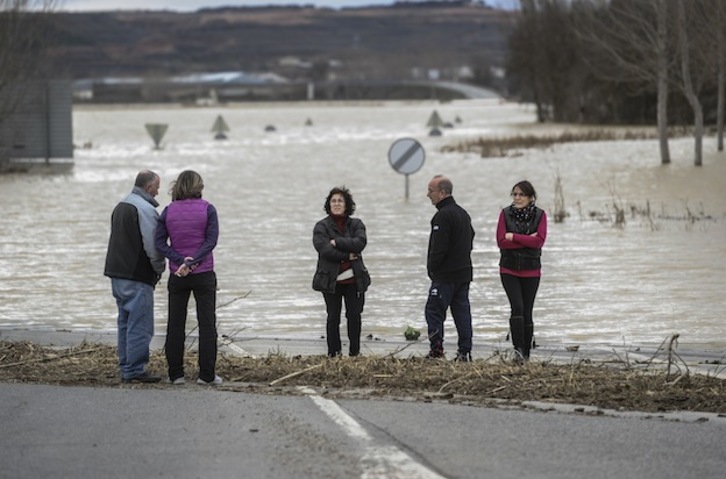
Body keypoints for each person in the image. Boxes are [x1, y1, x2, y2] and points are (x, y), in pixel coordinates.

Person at [154, 170, 222, 385]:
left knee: (175, 324)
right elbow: (211, 242)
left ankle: (176, 374)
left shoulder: (168, 211)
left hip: (178, 274)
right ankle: (206, 375)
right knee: (207, 324)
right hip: (203, 273)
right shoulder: (208, 209)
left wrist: (181, 261)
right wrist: (193, 262)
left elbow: (159, 243)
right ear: (198, 187)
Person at [104, 170, 165, 383]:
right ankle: (135, 370)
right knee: (140, 325)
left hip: (116, 272)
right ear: (149, 187)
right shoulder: (146, 210)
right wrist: (159, 268)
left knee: (125, 321)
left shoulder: (121, 206)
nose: (158, 192)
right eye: (157, 187)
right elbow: (152, 245)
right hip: (136, 275)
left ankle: (125, 366)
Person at [312, 186, 370, 357]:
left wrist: (337, 242)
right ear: (328, 204)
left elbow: (360, 243)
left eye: (340, 201)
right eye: (333, 201)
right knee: (333, 317)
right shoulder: (321, 226)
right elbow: (324, 249)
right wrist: (347, 254)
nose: (336, 204)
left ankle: (355, 352)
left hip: (355, 280)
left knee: (354, 316)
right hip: (331, 281)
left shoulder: (357, 224)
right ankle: (334, 353)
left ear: (347, 204)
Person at [425, 175, 475, 361]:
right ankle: (465, 352)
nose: (428, 195)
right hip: (463, 273)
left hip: (446, 276)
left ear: (442, 192)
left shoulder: (442, 216)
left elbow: (439, 247)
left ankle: (437, 351)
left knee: (433, 311)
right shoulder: (463, 213)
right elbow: (471, 238)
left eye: (431, 191)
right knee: (462, 312)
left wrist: (432, 269)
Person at [496, 180, 547, 362]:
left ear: (531, 197)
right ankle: (518, 350)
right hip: (509, 269)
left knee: (527, 311)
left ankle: (526, 353)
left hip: (531, 270)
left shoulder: (540, 215)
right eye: (515, 194)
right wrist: (527, 239)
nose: (517, 198)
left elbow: (539, 242)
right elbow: (501, 242)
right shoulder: (505, 214)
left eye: (521, 195)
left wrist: (514, 237)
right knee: (517, 307)